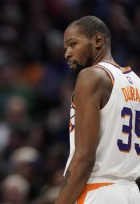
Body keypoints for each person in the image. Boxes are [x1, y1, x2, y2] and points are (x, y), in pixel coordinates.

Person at [55, 16, 140, 203]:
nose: (67, 53)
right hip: (132, 191)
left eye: (73, 44)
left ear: (98, 40)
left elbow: (84, 158)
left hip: (98, 190)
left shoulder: (91, 76)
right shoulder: (136, 82)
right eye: (66, 47)